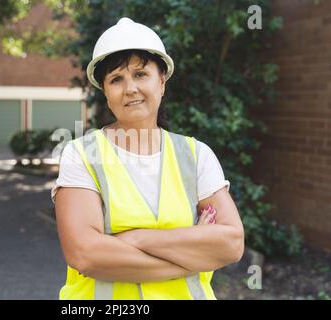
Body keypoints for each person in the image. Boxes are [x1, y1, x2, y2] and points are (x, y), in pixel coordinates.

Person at [51, 17, 244, 300]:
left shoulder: (196, 154)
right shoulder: (81, 155)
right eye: (116, 79)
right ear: (105, 92)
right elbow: (86, 255)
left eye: (140, 74)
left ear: (162, 81)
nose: (130, 88)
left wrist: (134, 238)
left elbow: (231, 245)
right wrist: (191, 254)